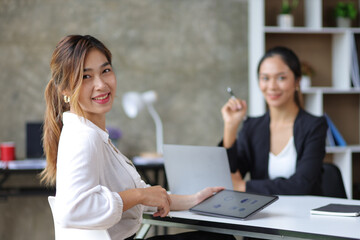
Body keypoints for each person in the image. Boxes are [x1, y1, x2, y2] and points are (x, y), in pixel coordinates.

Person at [41, 35, 235, 240]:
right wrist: (139, 195)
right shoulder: (84, 137)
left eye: (106, 71)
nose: (101, 84)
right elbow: (73, 210)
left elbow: (144, 196)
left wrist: (195, 199)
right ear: (66, 89)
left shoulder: (94, 135)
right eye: (86, 76)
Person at [220, 46, 327, 196]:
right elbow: (229, 176)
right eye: (265, 78)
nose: (272, 86)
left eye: (281, 78)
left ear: (297, 81)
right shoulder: (252, 127)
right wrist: (230, 126)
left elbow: (302, 185)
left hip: (303, 214)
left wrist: (244, 187)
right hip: (262, 215)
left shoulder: (314, 126)